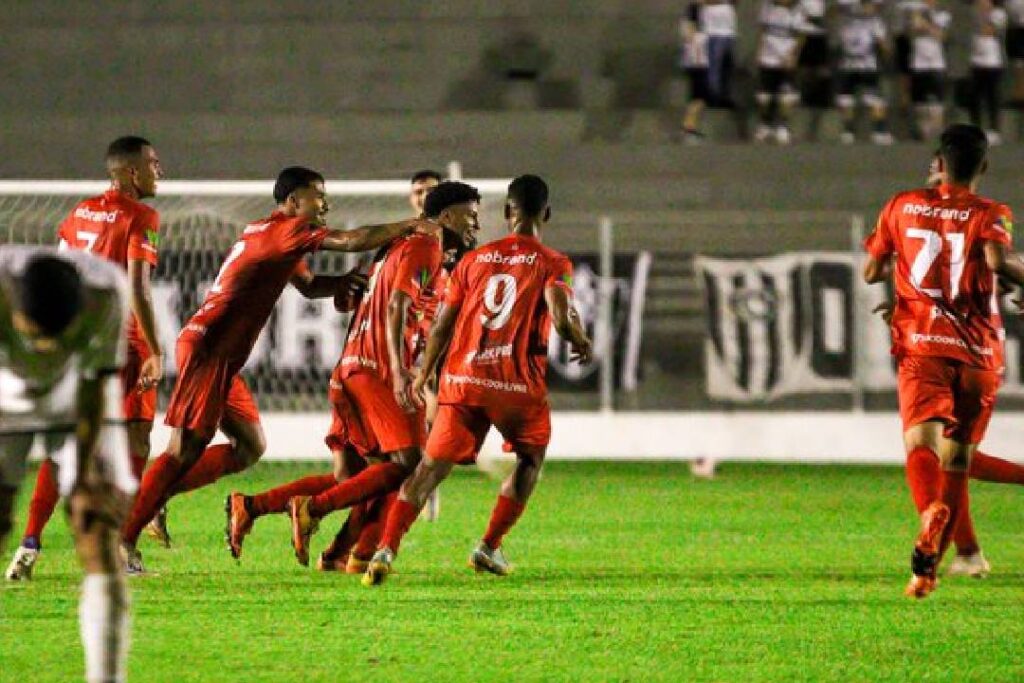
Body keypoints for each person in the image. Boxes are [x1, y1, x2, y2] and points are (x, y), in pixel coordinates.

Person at [117, 166, 418, 574]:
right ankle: (123, 538)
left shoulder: (268, 232)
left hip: (221, 354)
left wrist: (341, 283)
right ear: (294, 203)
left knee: (249, 446)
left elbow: (310, 286)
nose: (325, 204)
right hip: (210, 349)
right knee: (182, 450)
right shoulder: (288, 231)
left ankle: (154, 500)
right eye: (318, 196)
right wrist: (414, 225)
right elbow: (351, 240)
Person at [362, 174, 592, 586]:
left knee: (429, 468)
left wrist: (424, 372)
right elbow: (560, 317)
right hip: (517, 386)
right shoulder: (554, 263)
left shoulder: (473, 260)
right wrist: (581, 339)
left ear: (507, 212)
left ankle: (385, 550)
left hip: (463, 380)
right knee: (530, 460)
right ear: (547, 214)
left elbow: (442, 325)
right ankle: (488, 545)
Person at [862, 124, 1023, 598]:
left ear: (938, 162)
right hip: (979, 352)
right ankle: (966, 554)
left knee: (923, 447)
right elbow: (995, 263)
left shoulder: (900, 204)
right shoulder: (992, 212)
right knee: (958, 458)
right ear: (984, 167)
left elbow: (872, 269)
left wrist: (903, 287)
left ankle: (932, 541)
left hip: (923, 344)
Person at [286, 181, 482, 567]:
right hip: (376, 367)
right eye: (470, 215)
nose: (476, 223)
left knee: (361, 472)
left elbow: (373, 301)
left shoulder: (396, 247)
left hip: (355, 364)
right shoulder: (425, 246)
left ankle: (341, 553)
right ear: (445, 217)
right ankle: (312, 509)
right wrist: (397, 372)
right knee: (409, 464)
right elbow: (396, 306)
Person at [6, 136, 165, 580]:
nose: (159, 171)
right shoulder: (142, 215)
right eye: (153, 163)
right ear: (132, 173)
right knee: (135, 442)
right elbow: (138, 289)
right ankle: (119, 549)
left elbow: (58, 271)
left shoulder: (78, 213)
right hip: (122, 343)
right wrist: (156, 349)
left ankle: (29, 544)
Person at [0, 247, 136, 683]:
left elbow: (97, 388)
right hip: (5, 392)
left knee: (95, 524)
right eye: (35, 336)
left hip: (78, 391)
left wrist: (83, 475)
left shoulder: (108, 291)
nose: (46, 349)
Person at [835, 0, 893, 144]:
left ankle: (851, 132)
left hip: (856, 63)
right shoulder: (872, 22)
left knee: (856, 99)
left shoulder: (846, 22)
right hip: (863, 64)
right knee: (853, 99)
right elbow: (884, 46)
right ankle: (875, 132)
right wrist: (887, 57)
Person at [755, 0, 807, 144]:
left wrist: (793, 56)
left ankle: (783, 126)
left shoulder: (799, 9)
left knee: (786, 95)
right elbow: (762, 29)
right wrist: (759, 51)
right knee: (764, 95)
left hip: (786, 58)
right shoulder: (767, 6)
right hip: (768, 56)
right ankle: (765, 125)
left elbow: (801, 36)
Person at [908, 0, 951, 141]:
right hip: (919, 63)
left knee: (937, 100)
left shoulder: (943, 15)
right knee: (919, 100)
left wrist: (926, 25)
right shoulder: (914, 14)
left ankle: (937, 131)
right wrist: (920, 21)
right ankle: (923, 132)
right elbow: (912, 31)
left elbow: (941, 36)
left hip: (936, 64)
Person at [969, 0, 1009, 144]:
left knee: (992, 97)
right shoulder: (973, 15)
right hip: (976, 62)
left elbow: (989, 31)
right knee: (975, 98)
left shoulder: (999, 14)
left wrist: (983, 16)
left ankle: (994, 130)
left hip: (993, 63)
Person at [679, 1, 711, 143]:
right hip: (697, 62)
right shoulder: (692, 14)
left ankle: (689, 127)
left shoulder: (697, 14)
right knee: (698, 97)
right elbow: (688, 36)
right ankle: (688, 129)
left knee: (699, 97)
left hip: (699, 61)